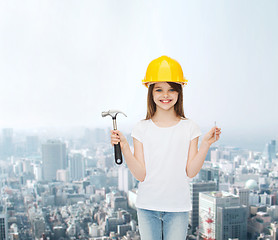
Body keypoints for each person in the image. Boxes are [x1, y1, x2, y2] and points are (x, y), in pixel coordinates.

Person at [110, 55, 221, 240]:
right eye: (159, 89)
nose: (165, 95)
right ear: (151, 92)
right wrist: (124, 147)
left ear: (179, 92)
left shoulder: (190, 127)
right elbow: (140, 175)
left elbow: (191, 171)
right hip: (147, 207)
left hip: (177, 208)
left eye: (171, 89)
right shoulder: (141, 128)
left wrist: (206, 144)